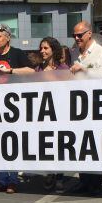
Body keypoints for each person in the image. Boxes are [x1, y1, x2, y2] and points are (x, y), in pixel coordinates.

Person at [66, 21, 102, 195]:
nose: (76, 38)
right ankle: (84, 180)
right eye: (74, 35)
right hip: (80, 106)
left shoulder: (100, 52)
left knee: (94, 144)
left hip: (96, 105)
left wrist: (84, 70)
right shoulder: (75, 53)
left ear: (89, 34)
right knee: (81, 144)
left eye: (79, 35)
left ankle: (95, 183)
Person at [0, 24, 32, 194]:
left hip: (15, 104)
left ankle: (12, 180)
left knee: (12, 142)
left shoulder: (18, 54)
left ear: (7, 37)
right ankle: (0, 179)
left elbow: (31, 71)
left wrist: (11, 70)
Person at [36, 37, 69, 192]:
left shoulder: (63, 68)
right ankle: (50, 173)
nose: (42, 51)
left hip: (60, 113)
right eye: (41, 48)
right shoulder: (39, 69)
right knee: (46, 145)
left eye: (46, 48)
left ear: (53, 50)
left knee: (60, 146)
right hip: (44, 113)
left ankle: (60, 177)